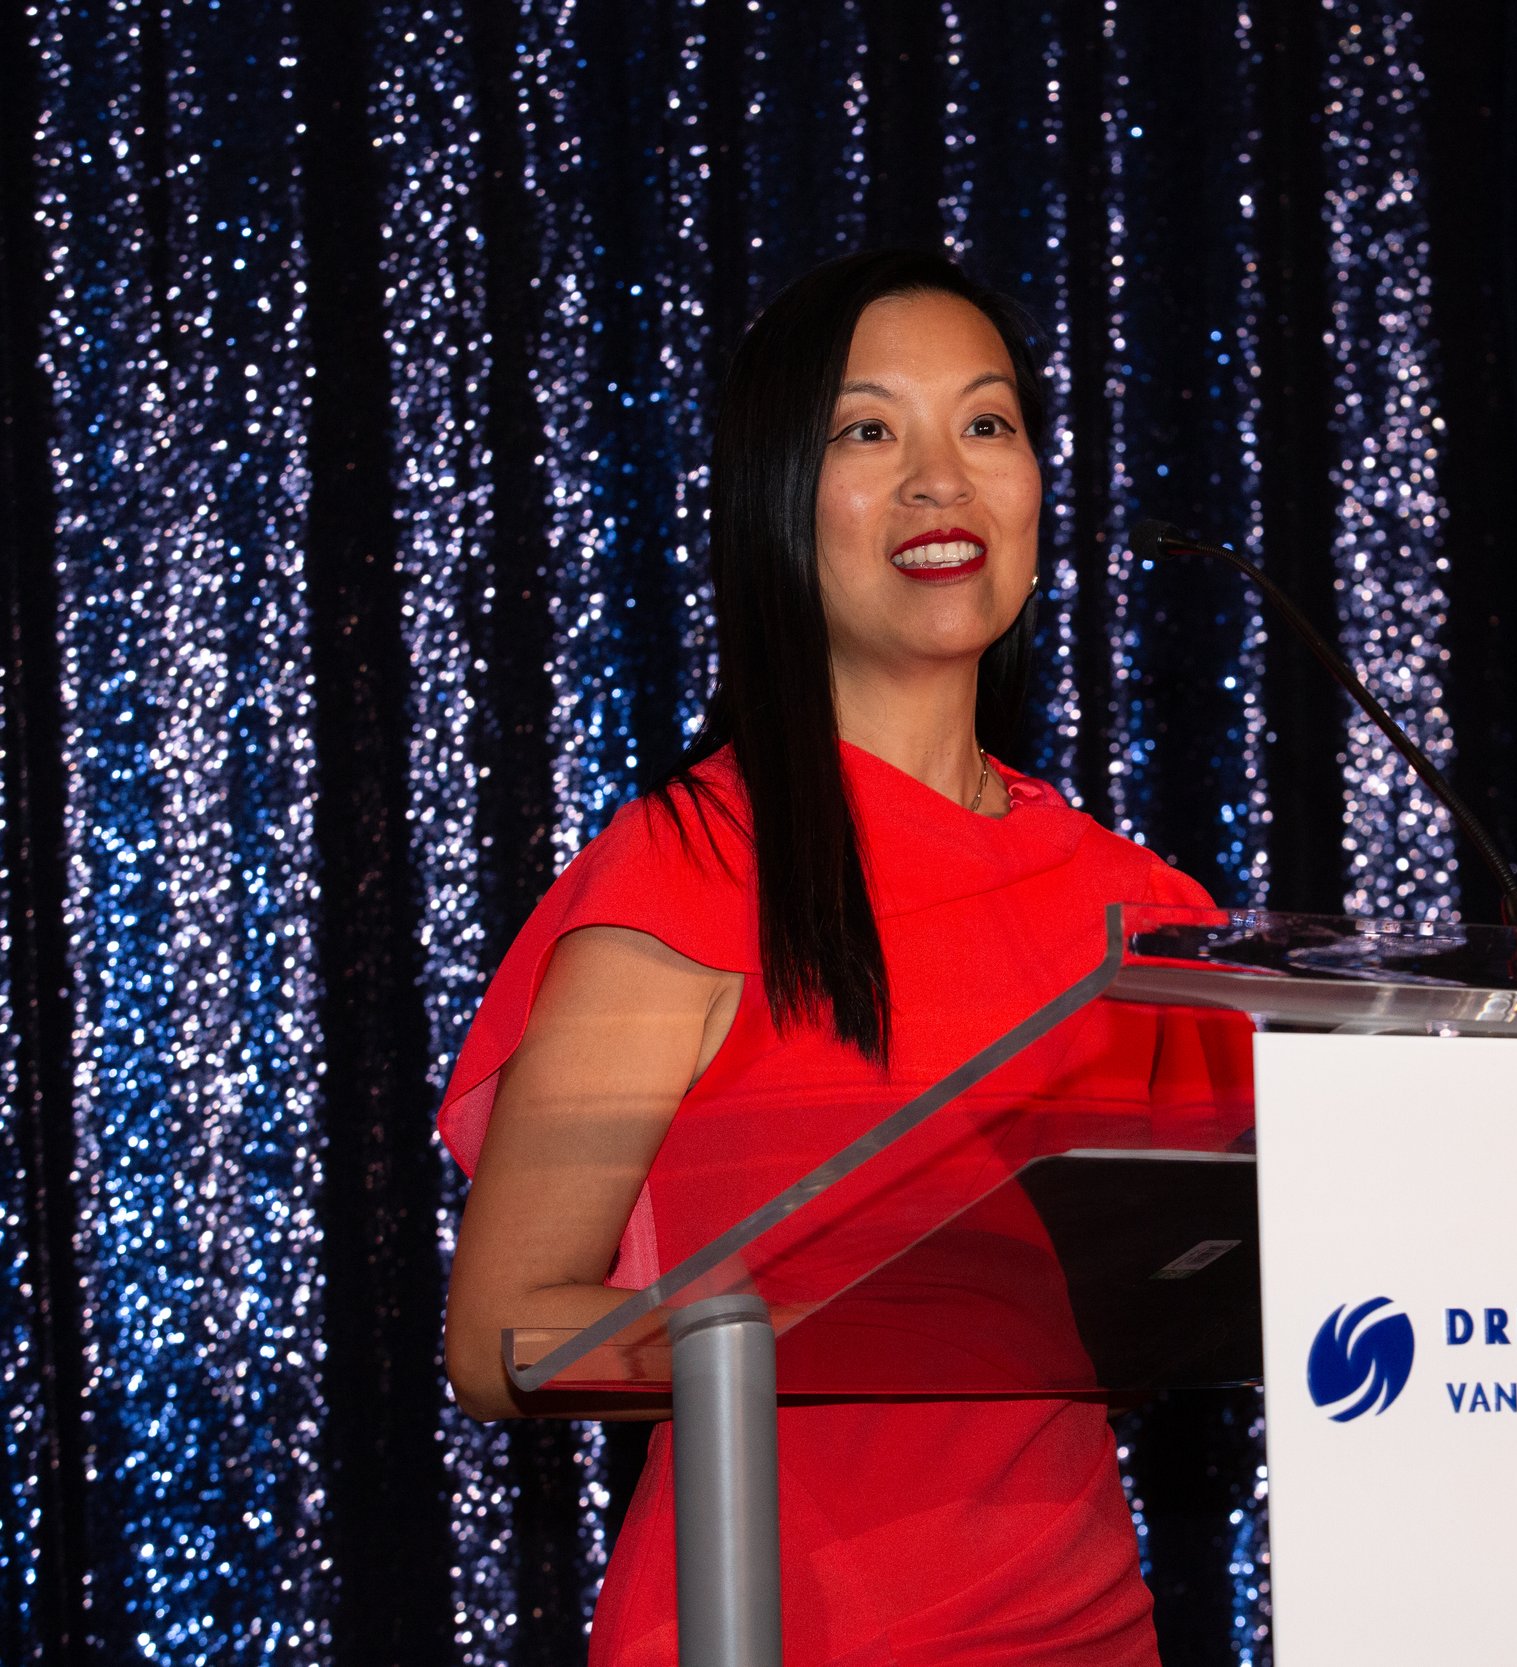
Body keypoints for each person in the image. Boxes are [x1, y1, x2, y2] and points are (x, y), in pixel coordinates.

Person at [439, 249, 1245, 1665]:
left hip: (1087, 1632)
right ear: (777, 500)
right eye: (869, 431)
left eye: (986, 423)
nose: (942, 480)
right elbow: (501, 1337)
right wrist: (854, 1327)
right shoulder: (691, 867)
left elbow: (1201, 1288)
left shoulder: (1143, 910)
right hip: (767, 1625)